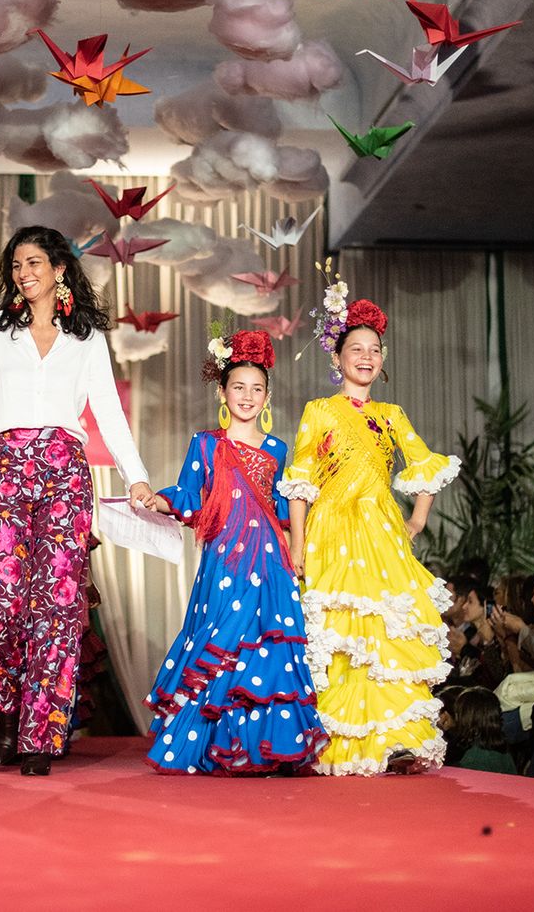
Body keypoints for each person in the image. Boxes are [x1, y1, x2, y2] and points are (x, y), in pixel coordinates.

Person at [0, 226, 155, 777]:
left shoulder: (86, 337)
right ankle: (8, 711)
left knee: (59, 605)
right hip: (5, 468)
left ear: (59, 269)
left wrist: (137, 477)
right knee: (2, 594)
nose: (24, 273)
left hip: (65, 469)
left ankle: (40, 733)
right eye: (16, 265)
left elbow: (109, 412)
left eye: (34, 262)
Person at [282, 287, 460, 775]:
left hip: (381, 534)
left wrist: (416, 520)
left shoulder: (392, 415)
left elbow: (426, 464)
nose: (366, 357)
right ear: (337, 358)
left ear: (383, 362)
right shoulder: (319, 411)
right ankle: (336, 742)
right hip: (330, 533)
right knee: (338, 637)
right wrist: (297, 541)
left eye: (374, 350)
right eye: (355, 349)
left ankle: (395, 742)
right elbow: (299, 481)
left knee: (386, 635)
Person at [143, 329, 326, 774]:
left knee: (269, 647)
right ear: (223, 392)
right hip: (225, 560)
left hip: (272, 563)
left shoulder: (278, 450)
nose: (247, 396)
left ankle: (262, 749)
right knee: (223, 640)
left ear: (267, 397)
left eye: (256, 389)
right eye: (238, 387)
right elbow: (190, 494)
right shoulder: (206, 444)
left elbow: (284, 507)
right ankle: (212, 747)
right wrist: (159, 499)